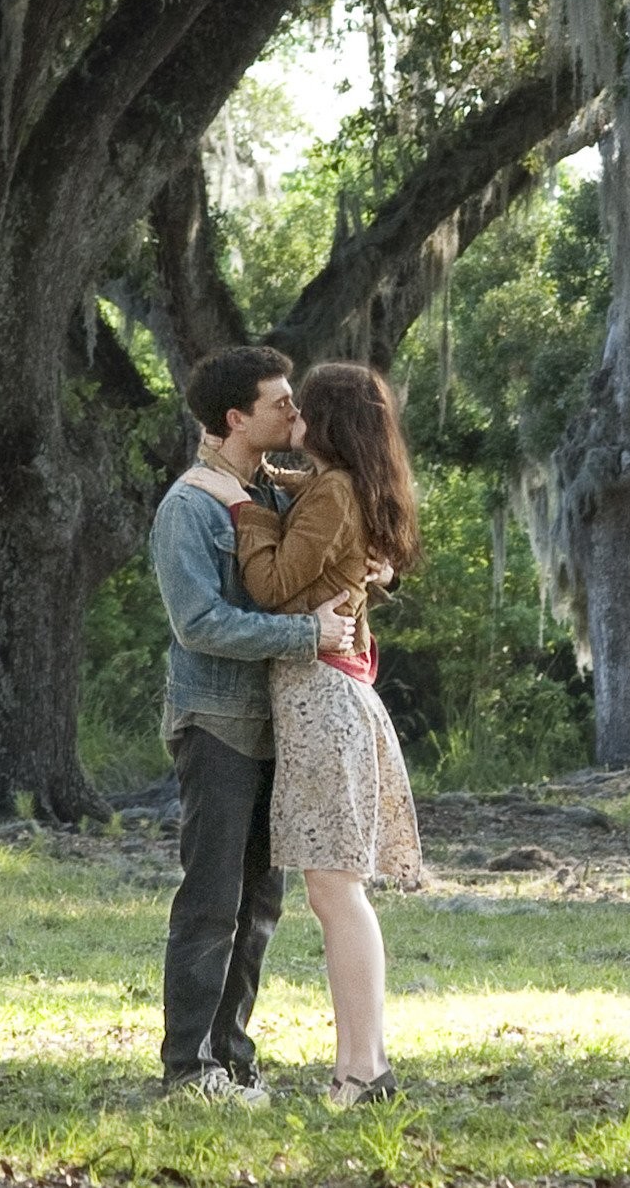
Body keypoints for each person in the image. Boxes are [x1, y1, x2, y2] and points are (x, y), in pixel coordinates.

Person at [181, 361, 424, 1109]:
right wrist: (265, 489)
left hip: (320, 700)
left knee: (335, 893)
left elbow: (271, 585)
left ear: (327, 424)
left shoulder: (335, 492)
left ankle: (362, 1069)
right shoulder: (340, 486)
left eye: (301, 411)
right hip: (326, 697)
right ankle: (364, 1063)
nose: (292, 422)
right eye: (283, 408)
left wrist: (244, 511)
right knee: (335, 892)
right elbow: (315, 513)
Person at [150, 346, 359, 1108]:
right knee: (212, 897)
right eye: (281, 405)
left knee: (262, 900)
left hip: (280, 725)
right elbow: (199, 623)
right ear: (237, 418)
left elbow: (329, 542)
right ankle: (189, 1071)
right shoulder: (189, 508)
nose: (295, 416)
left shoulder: (271, 491)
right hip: (217, 724)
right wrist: (309, 638)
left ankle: (234, 1060)